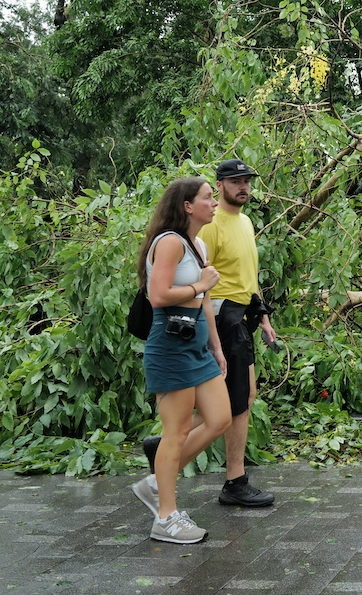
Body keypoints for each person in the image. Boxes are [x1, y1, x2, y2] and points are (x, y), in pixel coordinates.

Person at [145, 159, 277, 507]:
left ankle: (164, 454)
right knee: (236, 401)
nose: (242, 186)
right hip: (215, 320)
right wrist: (214, 328)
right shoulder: (204, 230)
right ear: (219, 186)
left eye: (247, 180)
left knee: (231, 404)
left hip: (239, 317)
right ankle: (231, 480)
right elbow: (198, 285)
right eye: (235, 181)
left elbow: (244, 276)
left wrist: (261, 314)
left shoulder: (245, 222)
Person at [132, 177, 232, 544]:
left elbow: (205, 305)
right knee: (175, 432)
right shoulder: (170, 242)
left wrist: (217, 348)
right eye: (208, 198)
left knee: (220, 416)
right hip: (170, 345)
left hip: (197, 346)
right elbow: (159, 296)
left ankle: (157, 482)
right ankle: (166, 518)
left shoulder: (198, 244)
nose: (215, 203)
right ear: (187, 205)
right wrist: (199, 285)